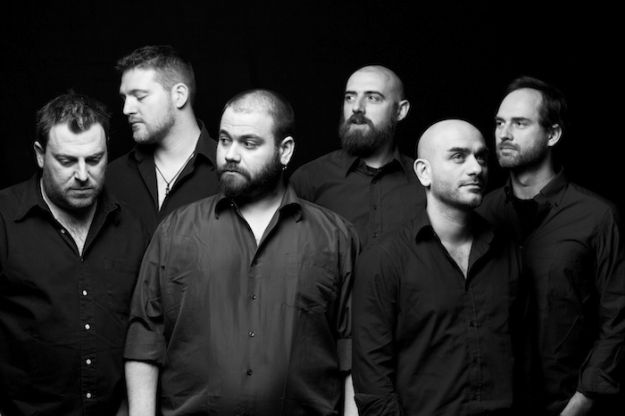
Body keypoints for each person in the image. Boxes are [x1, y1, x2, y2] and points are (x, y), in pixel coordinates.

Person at [124, 89, 359, 415]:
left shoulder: (335, 238)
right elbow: (144, 340)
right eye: (224, 140)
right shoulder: (176, 230)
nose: (231, 154)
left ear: (285, 151)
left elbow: (354, 350)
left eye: (249, 143)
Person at [353, 120, 526, 415]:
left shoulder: (508, 251)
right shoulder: (383, 260)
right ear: (424, 172)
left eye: (481, 157)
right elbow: (373, 385)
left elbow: (526, 359)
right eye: (458, 156)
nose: (476, 168)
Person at [479, 76, 625, 415]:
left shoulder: (596, 216)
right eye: (499, 123)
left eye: (520, 123)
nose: (504, 134)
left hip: (568, 403)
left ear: (553, 134)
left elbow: (618, 318)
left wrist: (582, 401)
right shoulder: (482, 214)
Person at [0, 93, 148, 415]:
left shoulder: (131, 228)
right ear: (40, 155)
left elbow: (145, 332)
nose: (82, 175)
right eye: (67, 161)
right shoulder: (4, 219)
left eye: (94, 160)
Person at [290, 65, 425, 249]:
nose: (356, 107)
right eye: (350, 97)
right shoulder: (309, 179)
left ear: (400, 111)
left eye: (372, 98)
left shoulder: (424, 183)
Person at [108, 44, 219, 234]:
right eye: (125, 99)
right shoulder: (112, 177)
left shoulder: (228, 173)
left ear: (179, 95)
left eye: (140, 97)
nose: (126, 109)